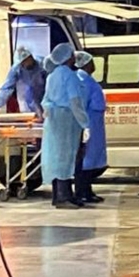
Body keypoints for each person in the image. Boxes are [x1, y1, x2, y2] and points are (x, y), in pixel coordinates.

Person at [41, 43, 90, 209]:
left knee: (55, 157)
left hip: (53, 120)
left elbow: (46, 99)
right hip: (67, 119)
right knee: (66, 157)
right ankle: (64, 197)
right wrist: (85, 123)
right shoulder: (69, 76)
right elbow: (75, 101)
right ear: (68, 57)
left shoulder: (52, 75)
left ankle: (59, 195)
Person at [74, 51, 107, 203]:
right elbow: (81, 104)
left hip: (94, 123)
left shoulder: (88, 79)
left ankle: (87, 190)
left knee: (91, 158)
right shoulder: (82, 80)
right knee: (85, 160)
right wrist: (85, 126)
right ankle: (82, 192)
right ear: (86, 64)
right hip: (88, 122)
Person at [0, 46, 46, 118]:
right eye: (24, 61)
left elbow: (51, 86)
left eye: (28, 59)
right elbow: (6, 89)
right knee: (30, 120)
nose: (26, 63)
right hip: (25, 102)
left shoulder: (43, 65)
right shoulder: (17, 69)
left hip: (43, 99)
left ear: (31, 57)